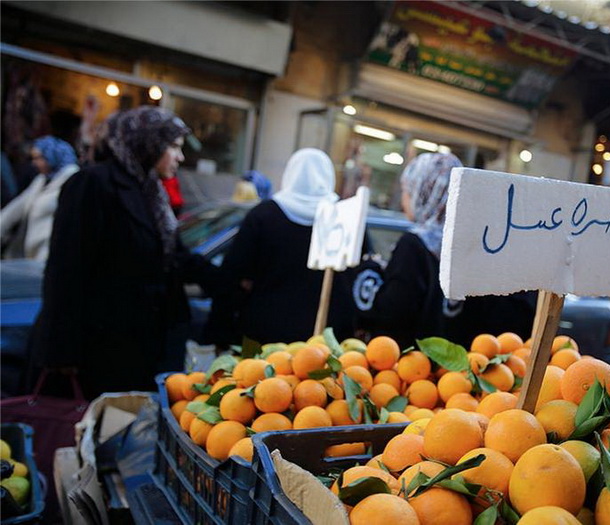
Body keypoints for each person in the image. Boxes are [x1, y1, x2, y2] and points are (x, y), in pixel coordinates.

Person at [31, 107, 219, 399]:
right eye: (174, 147)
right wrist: (62, 352)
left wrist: (235, 280)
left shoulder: (151, 191)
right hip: (98, 347)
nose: (180, 158)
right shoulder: (93, 184)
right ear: (148, 144)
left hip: (140, 345)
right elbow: (65, 270)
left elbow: (175, 257)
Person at [355, 152, 535, 349]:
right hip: (457, 368)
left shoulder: (415, 245)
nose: (403, 200)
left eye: (407, 190)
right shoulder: (475, 244)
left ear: (425, 192)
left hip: (411, 368)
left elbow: (393, 314)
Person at [204, 148, 357, 346]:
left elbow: (234, 275)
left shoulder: (263, 216)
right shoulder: (343, 217)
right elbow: (355, 276)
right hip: (324, 339)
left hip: (264, 334)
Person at [0, 136, 79, 261]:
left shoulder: (73, 181)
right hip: (32, 251)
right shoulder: (41, 180)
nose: (34, 163)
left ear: (52, 157)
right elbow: (15, 208)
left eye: (39, 158)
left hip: (53, 252)